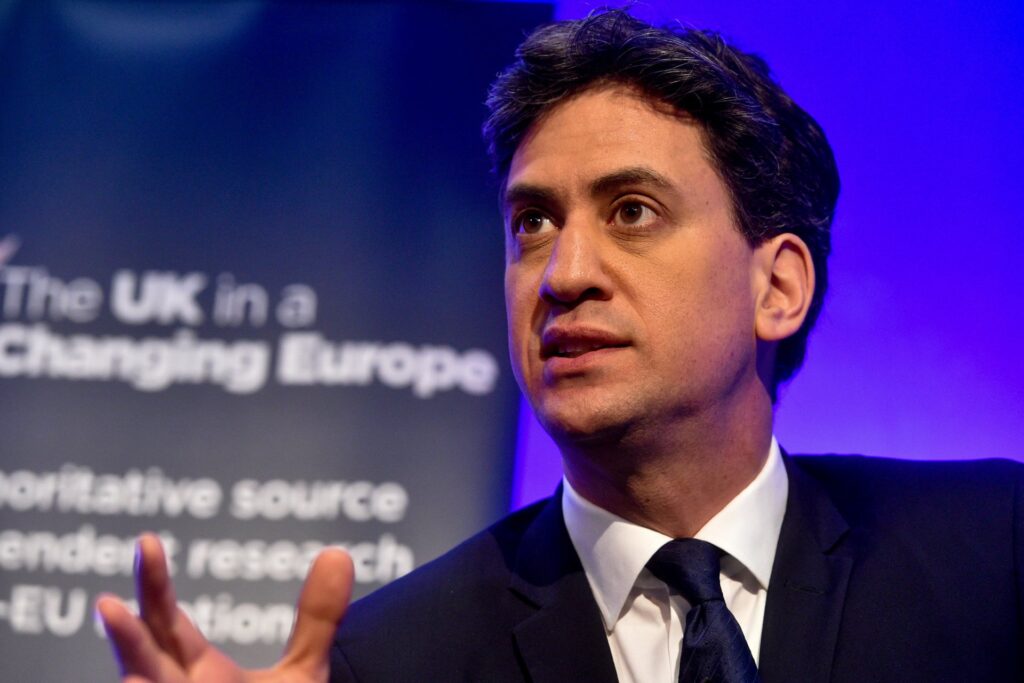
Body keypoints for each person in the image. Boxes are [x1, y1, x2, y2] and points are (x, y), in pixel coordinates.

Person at [98, 10, 1024, 683]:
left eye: (632, 211)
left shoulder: (990, 554)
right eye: (533, 222)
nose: (563, 272)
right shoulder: (393, 659)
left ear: (775, 287)